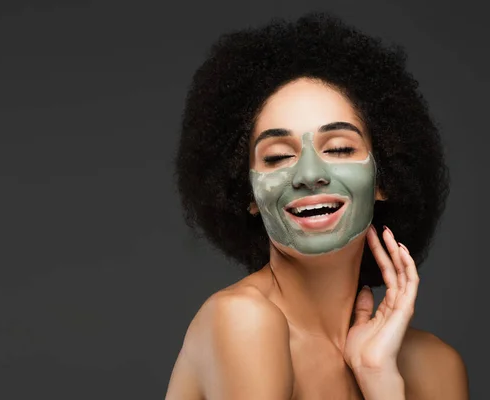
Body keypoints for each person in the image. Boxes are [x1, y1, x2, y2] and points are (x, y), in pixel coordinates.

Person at [165, 11, 468, 400]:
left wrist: (380, 380)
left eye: (340, 148)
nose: (309, 173)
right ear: (248, 195)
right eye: (276, 157)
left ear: (385, 178)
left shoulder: (435, 366)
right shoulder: (242, 322)